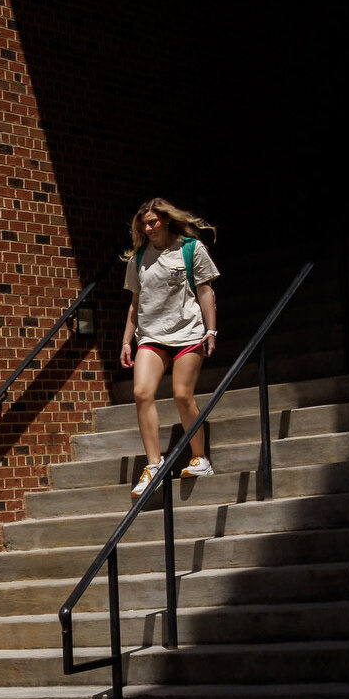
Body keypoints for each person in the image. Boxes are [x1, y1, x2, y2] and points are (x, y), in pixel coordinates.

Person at [120, 198, 222, 497]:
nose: (148, 228)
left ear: (165, 220)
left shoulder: (190, 249)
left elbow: (205, 290)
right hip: (151, 335)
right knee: (141, 393)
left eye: (152, 222)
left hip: (189, 332)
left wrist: (211, 329)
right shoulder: (138, 259)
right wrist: (127, 340)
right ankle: (154, 464)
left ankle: (200, 457)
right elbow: (134, 305)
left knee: (181, 394)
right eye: (144, 224)